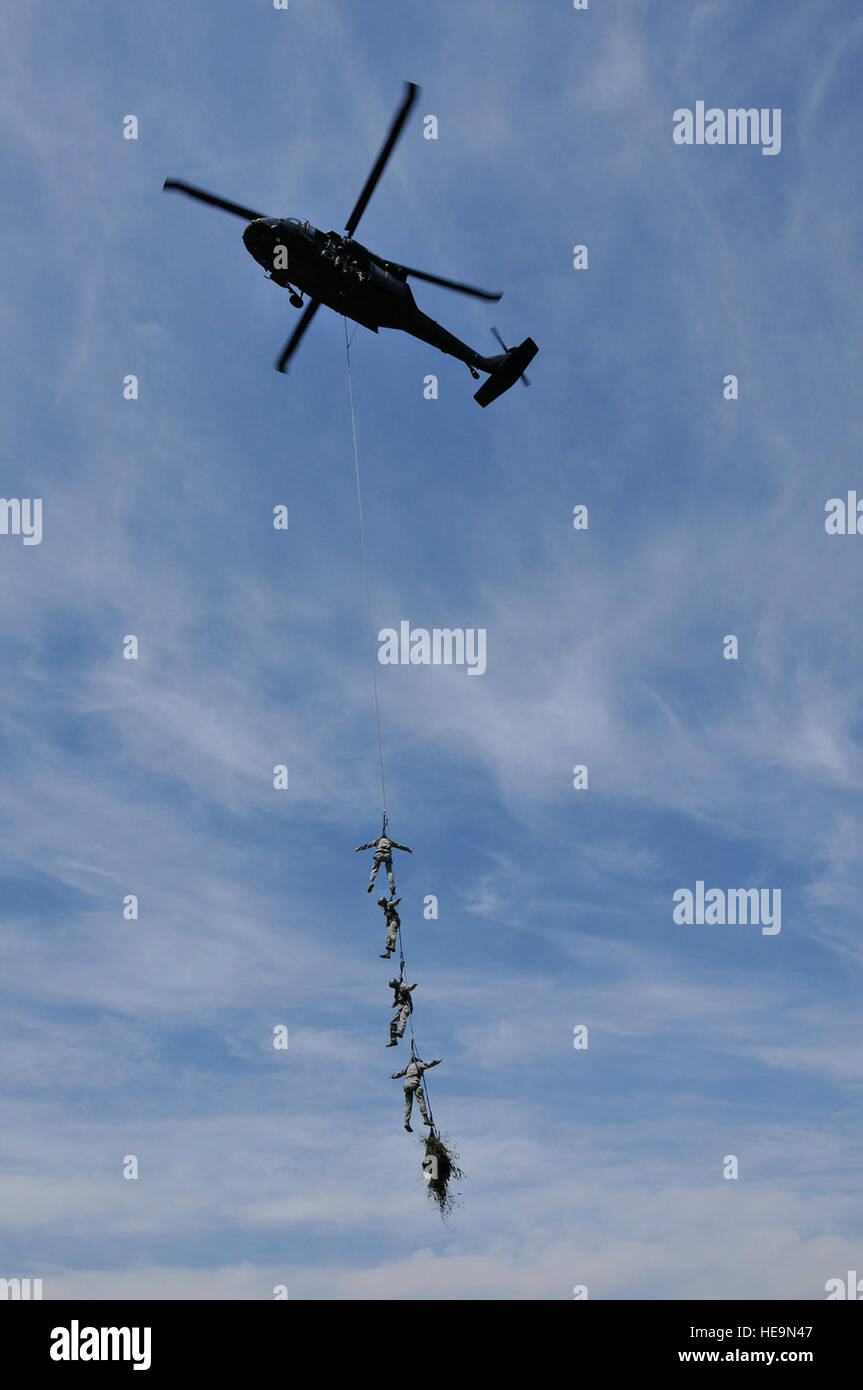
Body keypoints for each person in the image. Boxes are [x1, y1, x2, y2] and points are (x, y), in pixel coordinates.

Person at [391, 1055, 441, 1131]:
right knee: (421, 1100)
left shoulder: (408, 1067)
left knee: (408, 1105)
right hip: (414, 1083)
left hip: (406, 1086)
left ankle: (406, 1122)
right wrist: (436, 1062)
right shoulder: (419, 1064)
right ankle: (425, 1119)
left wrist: (393, 1076)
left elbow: (400, 1073)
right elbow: (427, 1064)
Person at [355, 830, 412, 895]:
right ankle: (392, 885)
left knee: (374, 869)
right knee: (389, 872)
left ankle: (371, 882)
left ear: (380, 837)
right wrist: (407, 849)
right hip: (387, 855)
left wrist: (359, 848)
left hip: (378, 855)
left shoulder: (377, 841)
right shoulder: (390, 841)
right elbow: (399, 846)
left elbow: (367, 845)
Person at [386, 978, 417, 1046]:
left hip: (407, 1006)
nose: (394, 988)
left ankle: (401, 1031)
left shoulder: (402, 986)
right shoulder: (397, 991)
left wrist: (412, 986)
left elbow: (408, 988)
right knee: (392, 1022)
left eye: (394, 986)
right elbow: (397, 1000)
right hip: (402, 1007)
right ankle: (393, 1041)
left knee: (403, 1016)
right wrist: (394, 1004)